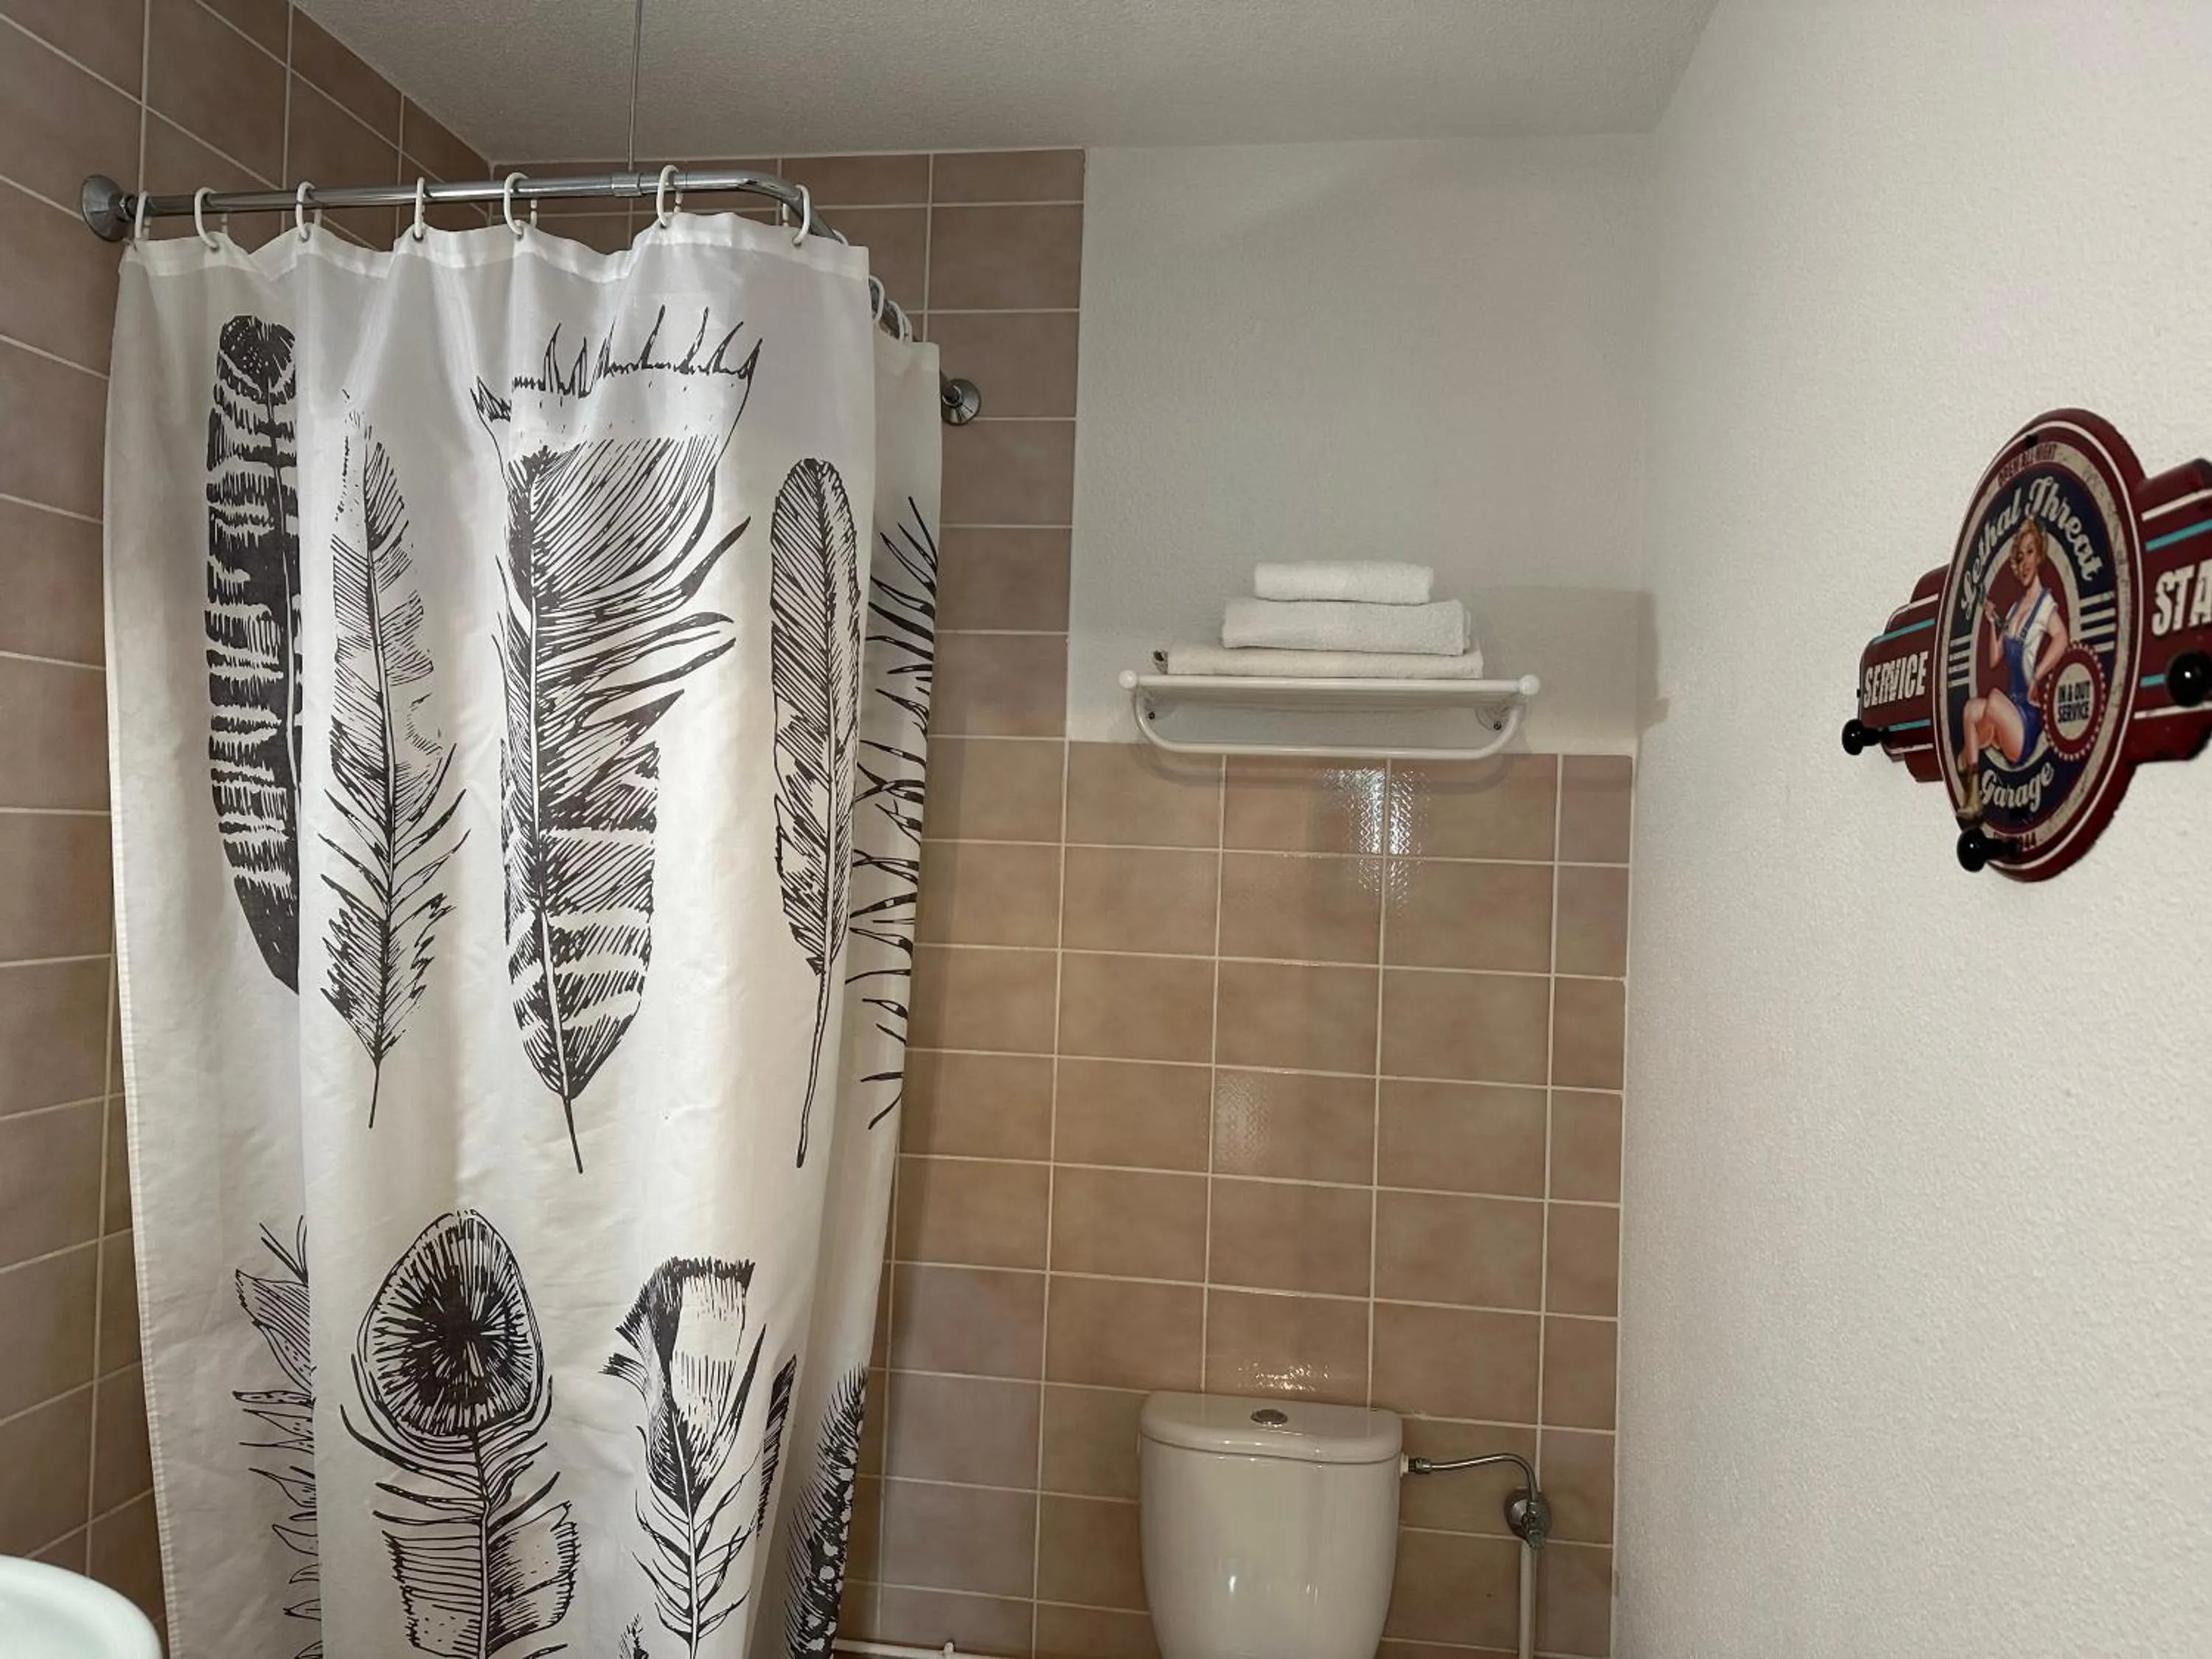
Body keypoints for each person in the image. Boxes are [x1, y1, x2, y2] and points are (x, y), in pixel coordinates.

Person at [1955, 518, 2069, 818]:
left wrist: (2039, 676)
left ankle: (1976, 746)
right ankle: (1973, 796)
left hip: (2026, 722)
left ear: (2041, 555)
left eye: (2031, 552)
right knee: (1969, 709)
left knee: (1991, 701)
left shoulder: (2045, 605)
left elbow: (2062, 638)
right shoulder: (2016, 610)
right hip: (2007, 712)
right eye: (2021, 555)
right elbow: (1994, 658)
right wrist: (1993, 622)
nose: (2026, 561)